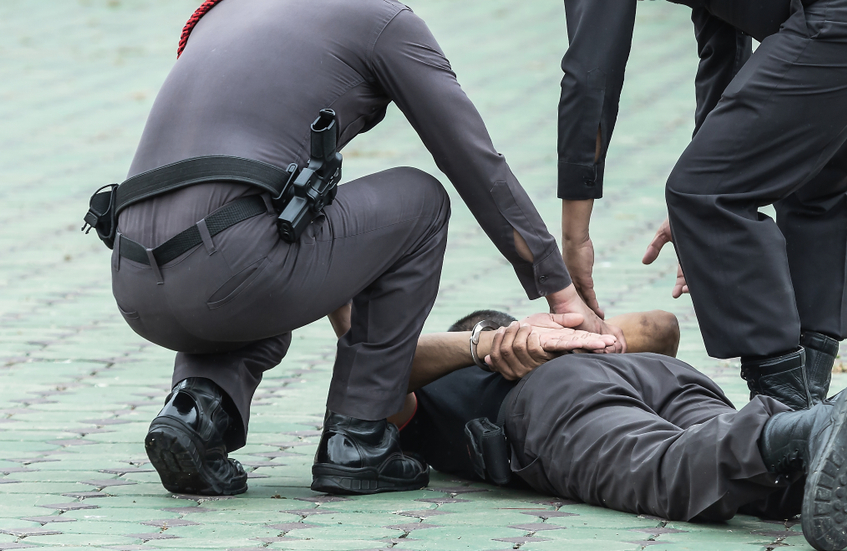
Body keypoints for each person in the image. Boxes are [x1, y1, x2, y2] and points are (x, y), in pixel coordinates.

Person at [97, 0, 621, 498]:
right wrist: (561, 292)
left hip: (132, 278)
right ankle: (359, 439)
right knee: (420, 200)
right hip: (232, 263)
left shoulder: (227, 12)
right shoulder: (381, 19)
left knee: (266, 237)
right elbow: (475, 164)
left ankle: (196, 410)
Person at [556, 0, 847, 410]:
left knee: (701, 194)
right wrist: (718, 175)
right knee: (818, 180)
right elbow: (724, 40)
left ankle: (789, 430)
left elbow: (592, 73)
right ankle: (825, 425)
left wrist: (575, 237)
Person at [384, 308, 847, 551]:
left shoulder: (437, 388)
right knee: (753, 475)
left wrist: (482, 346)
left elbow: (373, 368)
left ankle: (821, 421)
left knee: (665, 469)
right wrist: (589, 334)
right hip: (659, 376)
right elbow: (661, 327)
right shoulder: (546, 334)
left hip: (553, 403)